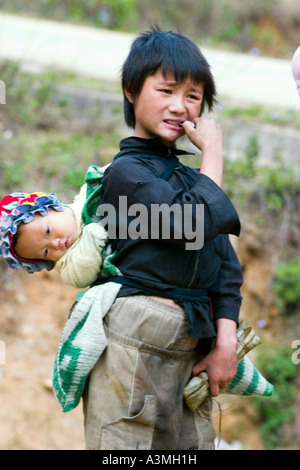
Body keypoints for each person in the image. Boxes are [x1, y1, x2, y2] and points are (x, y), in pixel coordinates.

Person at [82, 27, 243, 450]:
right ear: (131, 90)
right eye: (166, 90)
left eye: (192, 96)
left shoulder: (192, 179)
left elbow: (225, 264)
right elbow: (191, 223)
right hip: (133, 349)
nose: (179, 106)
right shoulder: (126, 173)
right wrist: (213, 153)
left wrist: (226, 340)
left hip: (191, 351)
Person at [0, 165, 113, 288]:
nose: (55, 244)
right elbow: (81, 277)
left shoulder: (88, 193)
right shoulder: (68, 263)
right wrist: (91, 236)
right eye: (46, 252)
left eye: (48, 231)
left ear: (50, 207)